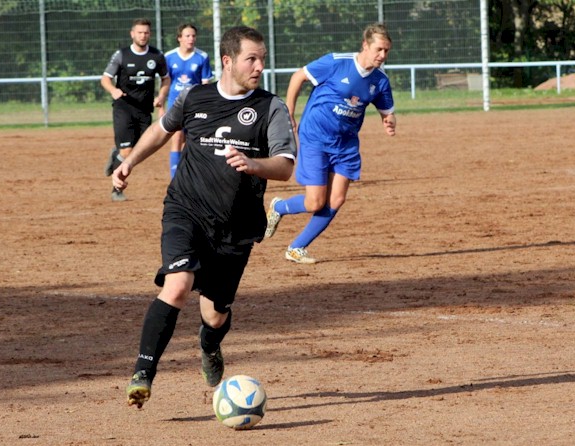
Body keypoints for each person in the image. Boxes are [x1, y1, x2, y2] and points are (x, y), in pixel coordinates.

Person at [112, 26, 296, 409]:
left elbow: (285, 166)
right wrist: (129, 162)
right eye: (251, 59)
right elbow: (162, 130)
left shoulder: (270, 107)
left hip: (237, 226)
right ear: (228, 60)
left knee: (214, 316)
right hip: (186, 209)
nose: (259, 67)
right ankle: (143, 373)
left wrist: (254, 164)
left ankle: (209, 345)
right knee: (177, 285)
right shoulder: (195, 97)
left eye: (262, 59)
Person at [263, 23, 396, 264]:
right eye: (379, 49)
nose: (383, 55)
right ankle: (279, 207)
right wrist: (289, 112)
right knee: (315, 202)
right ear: (365, 45)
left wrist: (389, 121)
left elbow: (386, 110)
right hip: (315, 137)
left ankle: (296, 248)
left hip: (346, 145)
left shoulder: (380, 80)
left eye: (387, 51)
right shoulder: (336, 62)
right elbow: (298, 77)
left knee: (336, 200)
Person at [101, 18, 170, 201]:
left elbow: (166, 79)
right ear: (132, 34)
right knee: (127, 152)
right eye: (139, 32)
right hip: (123, 107)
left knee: (136, 151)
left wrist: (161, 96)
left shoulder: (156, 56)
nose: (143, 36)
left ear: (150, 34)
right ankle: (117, 190)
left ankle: (116, 155)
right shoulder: (121, 55)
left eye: (146, 32)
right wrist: (113, 90)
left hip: (144, 110)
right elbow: (105, 79)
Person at [162, 23, 213, 178]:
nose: (191, 39)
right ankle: (175, 178)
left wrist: (206, 105)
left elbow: (205, 84)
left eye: (193, 36)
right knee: (177, 137)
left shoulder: (202, 57)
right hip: (175, 103)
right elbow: (165, 82)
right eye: (187, 36)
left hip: (195, 104)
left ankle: (193, 173)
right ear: (179, 38)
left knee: (192, 140)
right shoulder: (169, 57)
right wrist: (161, 105)